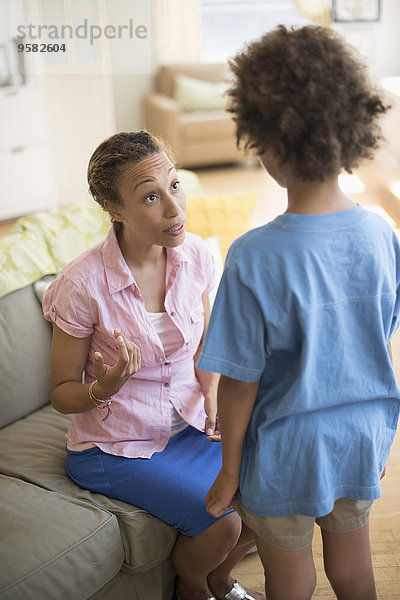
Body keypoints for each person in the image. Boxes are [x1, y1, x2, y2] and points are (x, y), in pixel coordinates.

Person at [198, 25, 400, 600]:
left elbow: (239, 382)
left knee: (290, 578)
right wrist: (374, 434)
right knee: (354, 568)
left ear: (266, 142)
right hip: (363, 434)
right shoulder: (382, 233)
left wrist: (231, 471)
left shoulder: (253, 255)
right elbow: (379, 337)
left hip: (287, 447)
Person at [42, 131, 264, 600]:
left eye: (175, 186)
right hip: (114, 447)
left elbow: (204, 347)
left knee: (276, 489)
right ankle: (194, 587)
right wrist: (106, 385)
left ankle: (223, 580)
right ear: (114, 208)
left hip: (189, 424)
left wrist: (211, 394)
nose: (173, 208)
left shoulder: (197, 255)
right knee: (221, 524)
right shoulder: (81, 284)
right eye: (150, 196)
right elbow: (61, 392)